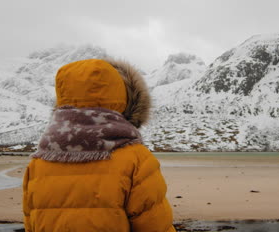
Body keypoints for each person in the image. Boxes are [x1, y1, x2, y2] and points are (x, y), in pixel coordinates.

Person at [22, 58, 176, 232]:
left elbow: (31, 224)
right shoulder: (136, 159)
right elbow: (155, 225)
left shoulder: (38, 163)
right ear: (126, 100)